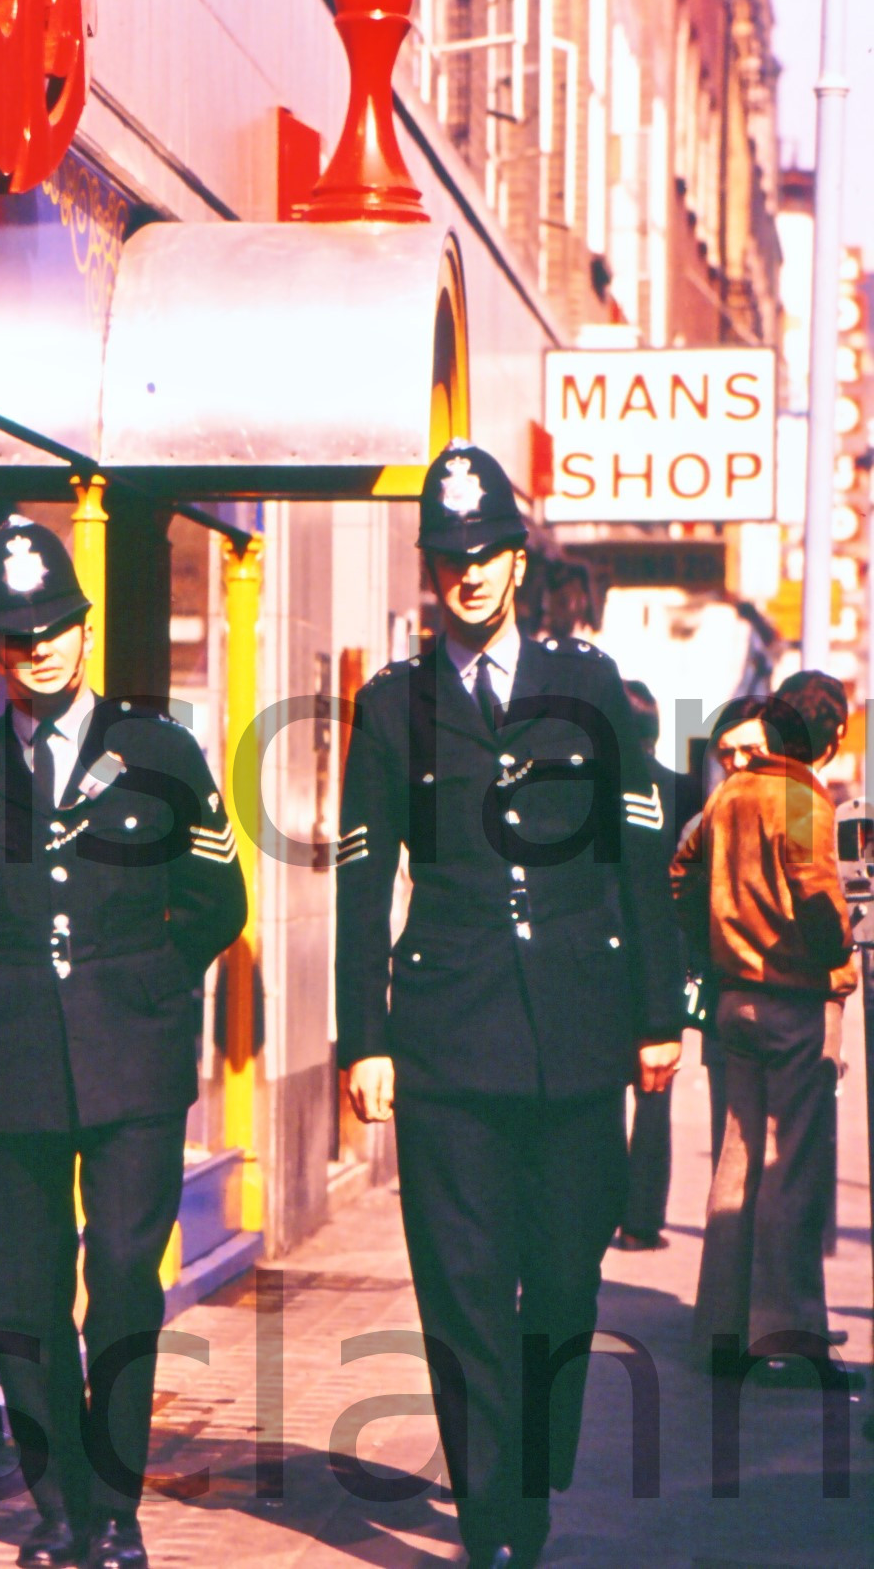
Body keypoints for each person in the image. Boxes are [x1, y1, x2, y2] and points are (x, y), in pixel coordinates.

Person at [334, 442, 684, 1569]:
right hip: (444, 1040)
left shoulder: (585, 684)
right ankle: (494, 1525)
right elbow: (357, 883)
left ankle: (528, 1478)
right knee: (462, 1288)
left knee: (564, 1286)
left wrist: (657, 1011)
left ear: (515, 560)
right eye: (448, 556)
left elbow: (637, 857)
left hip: (578, 1034)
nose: (468, 573)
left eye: (485, 553)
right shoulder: (393, 706)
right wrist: (363, 1037)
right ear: (428, 567)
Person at [0, 517, 246, 1569]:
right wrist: (17, 989)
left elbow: (216, 898)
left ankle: (112, 1505)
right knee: (18, 1293)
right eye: (17, 637)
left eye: (55, 626)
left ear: (84, 628)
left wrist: (146, 984)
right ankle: (52, 1499)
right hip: (15, 1060)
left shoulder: (158, 752)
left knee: (120, 1280)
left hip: (133, 1063)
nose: (40, 648)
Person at [671, 673, 857, 1387]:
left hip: (733, 1002)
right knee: (792, 1171)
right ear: (832, 737)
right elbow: (816, 893)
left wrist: (716, 940)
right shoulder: (804, 796)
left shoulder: (733, 791)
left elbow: (681, 879)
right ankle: (788, 1338)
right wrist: (837, 945)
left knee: (738, 1161)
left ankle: (721, 1329)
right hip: (791, 1002)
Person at [616, 680, 700, 1252]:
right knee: (654, 1096)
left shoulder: (594, 791)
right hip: (665, 957)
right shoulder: (684, 789)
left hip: (601, 958)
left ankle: (593, 1211)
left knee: (595, 1096)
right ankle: (643, 1220)